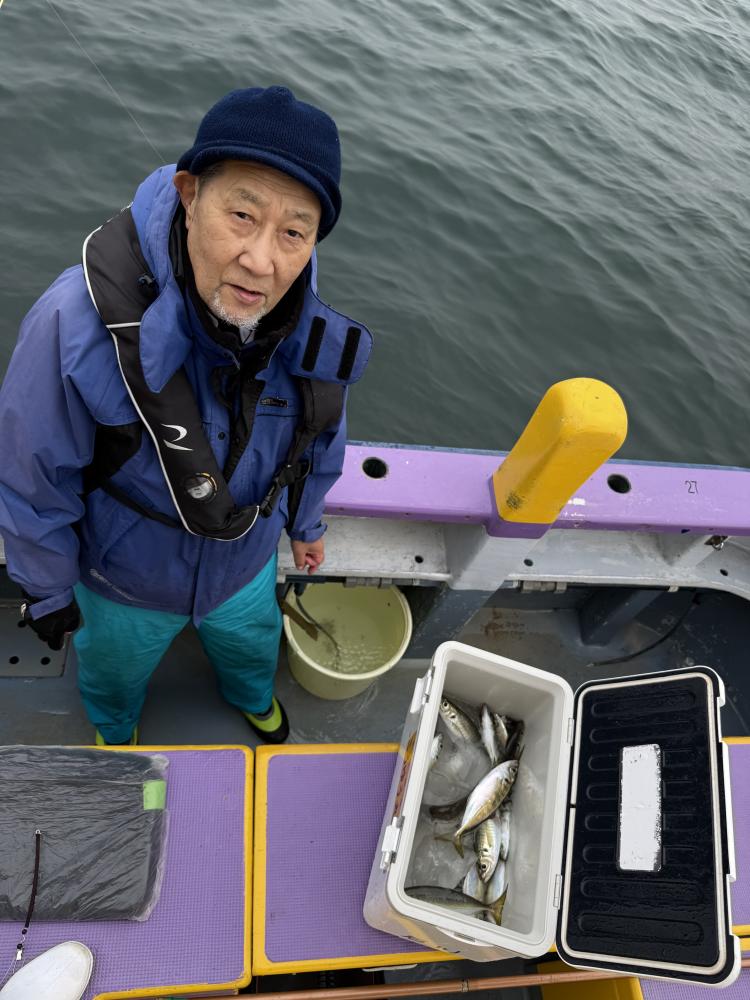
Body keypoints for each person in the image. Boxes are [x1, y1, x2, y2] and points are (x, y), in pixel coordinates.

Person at [0, 86, 371, 746]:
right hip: (122, 579)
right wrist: (48, 590)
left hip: (246, 563)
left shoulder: (310, 329)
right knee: (112, 677)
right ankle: (116, 732)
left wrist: (307, 522)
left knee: (253, 648)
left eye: (293, 232)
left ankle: (252, 698)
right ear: (189, 194)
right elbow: (32, 477)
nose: (261, 260)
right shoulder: (72, 323)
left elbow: (320, 432)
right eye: (241, 215)